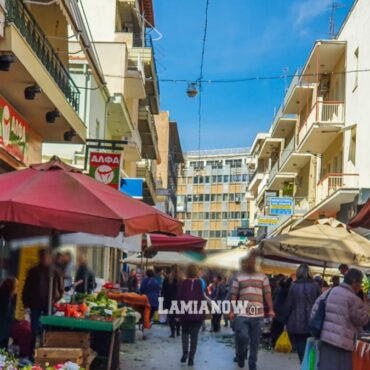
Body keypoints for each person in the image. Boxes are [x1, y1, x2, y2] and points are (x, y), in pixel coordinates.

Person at [312, 268, 369, 370]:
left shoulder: (329, 291)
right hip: (342, 343)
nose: (360, 286)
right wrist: (366, 306)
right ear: (354, 282)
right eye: (360, 283)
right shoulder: (353, 298)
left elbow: (315, 309)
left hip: (325, 339)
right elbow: (362, 319)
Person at [231, 250, 275, 369]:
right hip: (242, 313)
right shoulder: (238, 277)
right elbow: (234, 295)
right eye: (248, 262)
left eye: (252, 262)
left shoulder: (263, 277)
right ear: (245, 264)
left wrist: (271, 309)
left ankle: (252, 363)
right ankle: (240, 354)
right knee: (242, 336)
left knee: (255, 341)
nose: (250, 264)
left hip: (258, 314)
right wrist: (231, 310)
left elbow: (267, 294)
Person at [22, 249, 64, 352]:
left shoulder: (55, 271)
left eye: (46, 256)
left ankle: (46, 351)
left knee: (48, 329)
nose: (44, 259)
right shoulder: (33, 271)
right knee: (34, 329)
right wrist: (26, 303)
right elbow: (27, 288)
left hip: (49, 305)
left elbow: (61, 289)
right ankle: (32, 351)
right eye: (42, 257)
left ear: (50, 257)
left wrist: (54, 300)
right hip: (35, 304)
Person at [285, 264, 321, 363]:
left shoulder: (293, 286)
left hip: (297, 322)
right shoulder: (315, 286)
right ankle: (310, 365)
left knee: (301, 347)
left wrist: (285, 321)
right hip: (313, 322)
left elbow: (289, 305)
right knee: (313, 347)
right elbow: (320, 304)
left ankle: (304, 364)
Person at [177, 264, 205, 366]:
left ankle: (185, 352)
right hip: (197, 314)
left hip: (186, 312)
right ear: (196, 272)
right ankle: (191, 358)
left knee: (184, 333)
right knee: (194, 336)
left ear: (187, 272)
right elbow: (202, 298)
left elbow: (179, 297)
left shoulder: (183, 283)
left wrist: (178, 312)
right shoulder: (199, 283)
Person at [271, 276, 291, 347]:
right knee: (280, 328)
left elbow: (273, 299)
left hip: (277, 311)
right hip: (284, 312)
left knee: (275, 328)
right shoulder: (289, 291)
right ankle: (278, 342)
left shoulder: (278, 289)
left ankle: (275, 343)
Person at [162, 265, 180, 338]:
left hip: (169, 300)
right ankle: (178, 331)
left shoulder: (167, 279)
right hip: (179, 301)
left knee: (171, 317)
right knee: (178, 316)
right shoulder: (180, 279)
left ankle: (173, 333)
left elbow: (163, 291)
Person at [0, 278, 17, 350]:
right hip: (3, 329)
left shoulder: (7, 297)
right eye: (16, 286)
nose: (17, 288)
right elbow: (6, 315)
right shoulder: (7, 299)